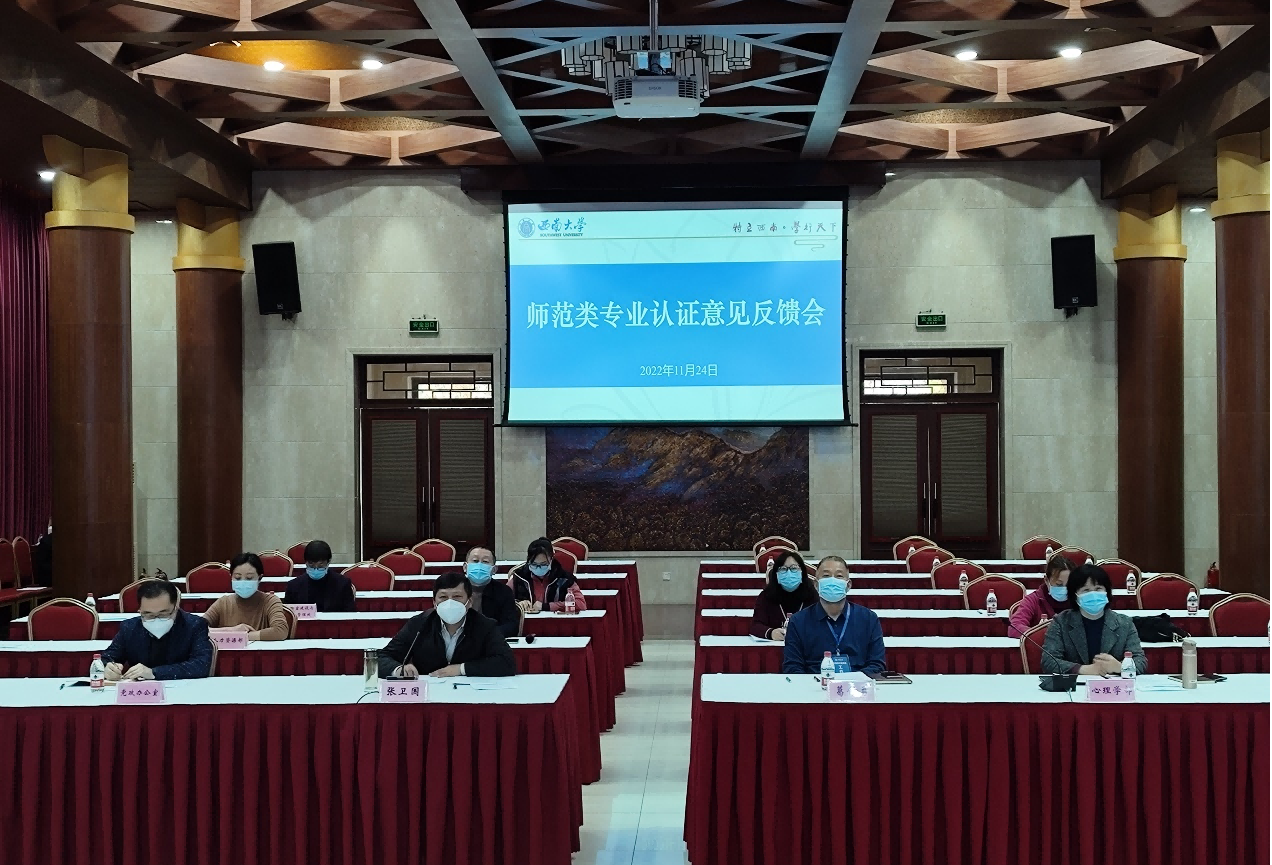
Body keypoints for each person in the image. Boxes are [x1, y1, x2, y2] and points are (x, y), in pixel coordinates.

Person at [377, 572, 516, 678]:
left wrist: (461, 669)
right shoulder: (419, 624)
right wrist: (398, 669)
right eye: (443, 597)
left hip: (470, 694)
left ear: (469, 602)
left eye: (457, 597)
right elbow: (381, 658)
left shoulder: (485, 626)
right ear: (434, 603)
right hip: (429, 692)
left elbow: (507, 662)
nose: (450, 602)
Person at [782, 555, 886, 676]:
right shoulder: (798, 621)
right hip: (814, 684)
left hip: (858, 684)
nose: (832, 580)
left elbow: (877, 664)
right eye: (826, 576)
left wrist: (853, 681)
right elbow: (792, 667)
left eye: (839, 576)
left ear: (848, 585)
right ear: (816, 585)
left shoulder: (868, 619)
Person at [1040, 563, 1148, 675]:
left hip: (1112, 684)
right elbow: (1048, 662)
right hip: (1075, 684)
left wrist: (1120, 667)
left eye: (1098, 589)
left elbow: (1140, 661)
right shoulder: (1060, 622)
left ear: (1107, 592)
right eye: (1086, 590)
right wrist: (1083, 669)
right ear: (1075, 595)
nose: (1093, 594)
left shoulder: (1124, 623)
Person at [100, 580, 213, 680]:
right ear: (140, 610)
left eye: (163, 614)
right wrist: (107, 667)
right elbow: (107, 658)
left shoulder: (194, 625)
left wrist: (154, 673)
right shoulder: (129, 628)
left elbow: (201, 665)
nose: (156, 619)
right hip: (141, 692)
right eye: (148, 614)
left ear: (175, 608)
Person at [203, 552, 290, 641]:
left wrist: (243, 636)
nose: (243, 582)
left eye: (249, 578)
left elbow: (280, 631)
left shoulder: (270, 601)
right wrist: (232, 631)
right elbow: (198, 628)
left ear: (259, 578)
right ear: (231, 577)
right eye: (237, 578)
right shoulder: (223, 603)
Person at [749, 549, 817, 641]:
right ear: (776, 574)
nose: (789, 573)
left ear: (802, 572)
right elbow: (755, 626)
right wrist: (771, 633)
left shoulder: (812, 594)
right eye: (783, 569)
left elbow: (821, 624)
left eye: (794, 568)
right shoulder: (766, 596)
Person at [507, 537, 587, 613]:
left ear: (551, 560)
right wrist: (517, 604)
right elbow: (502, 600)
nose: (538, 568)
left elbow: (581, 604)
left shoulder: (564, 579)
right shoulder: (519, 577)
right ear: (528, 560)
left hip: (555, 621)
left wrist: (547, 606)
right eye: (534, 564)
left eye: (543, 564)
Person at [1007, 555, 1073, 638]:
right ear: (1046, 580)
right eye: (1059, 584)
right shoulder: (1033, 600)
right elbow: (1014, 628)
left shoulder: (1079, 601)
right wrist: (1038, 632)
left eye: (1069, 584)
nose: (1064, 589)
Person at [283, 539, 356, 612]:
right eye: (311, 564)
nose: (316, 569)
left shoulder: (342, 584)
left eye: (320, 565)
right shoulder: (293, 586)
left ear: (328, 561)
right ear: (305, 562)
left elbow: (350, 614)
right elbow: (288, 614)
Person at [464, 545, 520, 638]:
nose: (479, 565)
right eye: (475, 561)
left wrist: (485, 636)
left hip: (491, 641)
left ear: (494, 570)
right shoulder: (454, 589)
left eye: (485, 562)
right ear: (465, 567)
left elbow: (511, 626)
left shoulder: (504, 592)